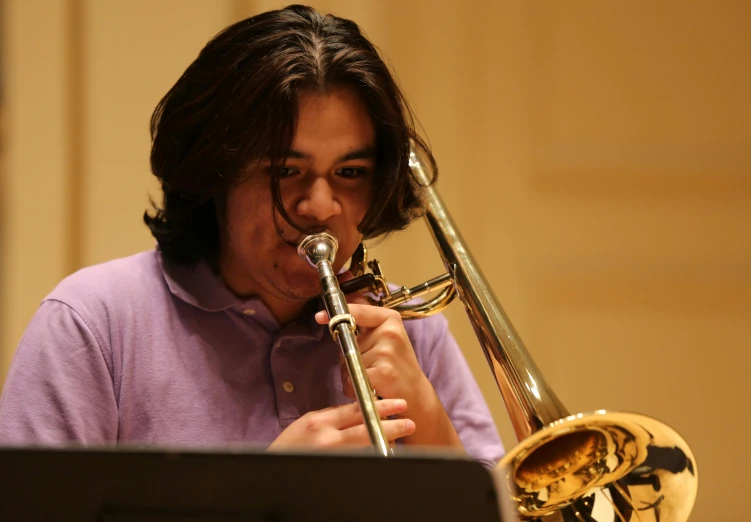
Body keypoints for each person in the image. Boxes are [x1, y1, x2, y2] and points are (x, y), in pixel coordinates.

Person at [0, 4, 504, 467]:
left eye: (350, 173)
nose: (321, 207)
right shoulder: (92, 325)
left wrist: (427, 418)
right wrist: (261, 493)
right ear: (214, 173)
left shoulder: (410, 332)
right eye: (285, 171)